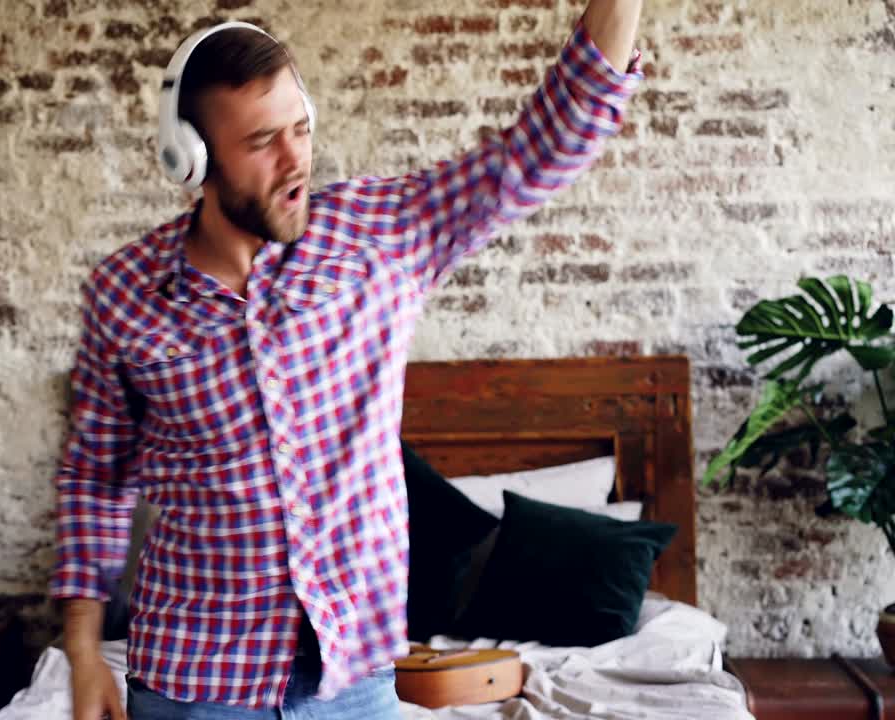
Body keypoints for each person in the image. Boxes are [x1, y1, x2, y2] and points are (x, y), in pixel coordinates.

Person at [50, 2, 644, 718]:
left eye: (300, 127)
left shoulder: (380, 236)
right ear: (191, 159)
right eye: (263, 141)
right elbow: (95, 480)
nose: (296, 157)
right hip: (193, 687)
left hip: (355, 687)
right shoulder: (125, 295)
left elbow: (542, 148)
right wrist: (84, 652)